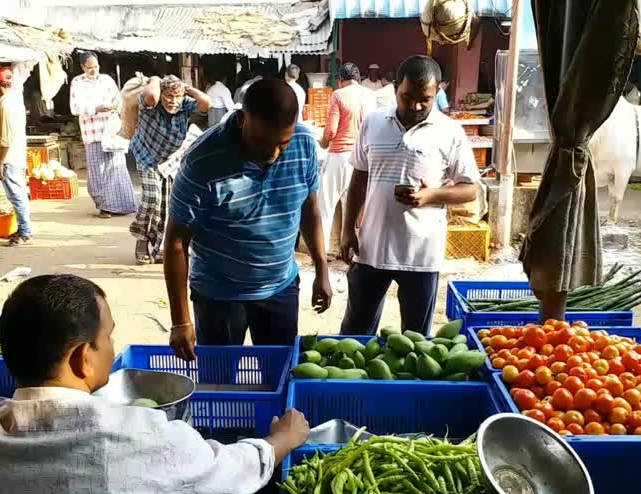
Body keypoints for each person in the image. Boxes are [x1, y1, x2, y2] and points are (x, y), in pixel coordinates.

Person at [0, 274, 311, 494]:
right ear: (83, 357)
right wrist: (280, 441)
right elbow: (230, 470)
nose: (113, 347)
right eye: (109, 336)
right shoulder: (137, 434)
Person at [165, 79, 332, 359]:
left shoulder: (303, 144)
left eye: (283, 143)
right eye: (262, 142)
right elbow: (176, 242)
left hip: (280, 288)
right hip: (219, 296)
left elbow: (310, 209)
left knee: (277, 378)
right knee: (220, 384)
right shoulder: (202, 162)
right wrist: (180, 321)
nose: (273, 153)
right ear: (242, 118)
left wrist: (322, 269)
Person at [340, 55, 479, 336]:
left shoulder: (450, 132)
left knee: (415, 340)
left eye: (425, 99)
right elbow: (358, 179)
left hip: (421, 254)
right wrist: (347, 230)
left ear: (437, 92)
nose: (415, 105)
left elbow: (471, 189)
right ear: (395, 89)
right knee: (355, 334)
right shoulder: (373, 122)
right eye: (407, 97)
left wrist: (432, 195)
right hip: (371, 249)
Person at [129, 75, 211, 264]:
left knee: (167, 204)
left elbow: (206, 103)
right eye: (168, 96)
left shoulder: (185, 104)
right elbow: (151, 94)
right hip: (146, 155)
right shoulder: (150, 102)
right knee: (152, 198)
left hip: (171, 160)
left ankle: (161, 247)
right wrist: (156, 79)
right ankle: (141, 239)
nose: (173, 101)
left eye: (177, 97)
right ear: (162, 94)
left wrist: (186, 89)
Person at [70, 52, 137, 219]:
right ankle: (105, 206)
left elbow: (119, 100)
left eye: (96, 66)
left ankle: (123, 205)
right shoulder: (77, 82)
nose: (94, 70)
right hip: (92, 133)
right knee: (98, 171)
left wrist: (115, 107)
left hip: (111, 130)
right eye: (90, 68)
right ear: (83, 67)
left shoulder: (107, 79)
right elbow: (75, 107)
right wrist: (96, 108)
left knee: (117, 168)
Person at [319, 63, 375, 257]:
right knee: (354, 205)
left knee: (326, 205)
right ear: (358, 78)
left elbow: (331, 131)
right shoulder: (369, 96)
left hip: (340, 155)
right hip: (363, 157)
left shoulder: (338, 95)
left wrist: (323, 142)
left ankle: (324, 250)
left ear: (340, 80)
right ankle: (355, 251)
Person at [0, 67, 33, 246]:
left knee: (16, 196)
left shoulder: (6, 104)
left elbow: (6, 139)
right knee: (19, 195)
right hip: (17, 154)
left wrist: (0, 163)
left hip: (9, 157)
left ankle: (25, 232)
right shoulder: (16, 101)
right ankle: (24, 229)